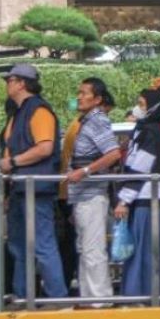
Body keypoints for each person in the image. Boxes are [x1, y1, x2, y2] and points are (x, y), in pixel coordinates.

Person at [0, 64, 66, 300]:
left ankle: (57, 298)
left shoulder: (39, 111)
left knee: (42, 245)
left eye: (10, 80)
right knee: (19, 246)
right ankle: (22, 296)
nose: (7, 83)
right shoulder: (20, 112)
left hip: (35, 188)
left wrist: (13, 162)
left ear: (22, 83)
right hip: (21, 188)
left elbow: (45, 148)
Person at [60, 78, 121, 301]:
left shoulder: (97, 121)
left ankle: (100, 299)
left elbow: (113, 153)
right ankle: (89, 298)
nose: (79, 96)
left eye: (84, 93)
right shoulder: (85, 121)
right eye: (79, 92)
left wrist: (84, 171)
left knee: (93, 250)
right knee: (85, 249)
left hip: (92, 195)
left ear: (97, 99)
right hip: (82, 196)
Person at [115, 89, 160, 298]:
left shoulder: (149, 132)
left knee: (144, 253)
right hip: (145, 201)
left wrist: (123, 200)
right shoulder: (146, 130)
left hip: (145, 201)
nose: (138, 108)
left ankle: (140, 295)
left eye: (142, 104)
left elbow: (139, 168)